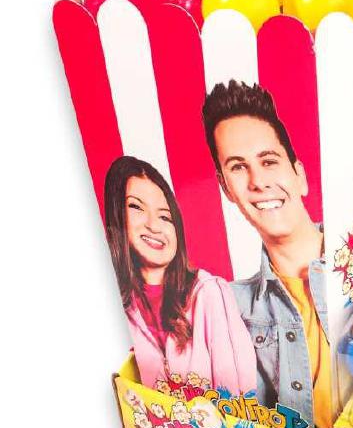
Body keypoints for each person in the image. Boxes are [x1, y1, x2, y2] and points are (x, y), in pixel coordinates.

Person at [201, 80, 331, 428]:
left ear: (299, 175)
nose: (258, 181)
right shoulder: (228, 307)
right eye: (238, 167)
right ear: (226, 188)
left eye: (269, 161)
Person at [103, 155, 256, 396]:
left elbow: (239, 397)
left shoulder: (209, 293)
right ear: (115, 215)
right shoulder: (114, 304)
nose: (154, 226)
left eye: (165, 217)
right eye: (136, 207)